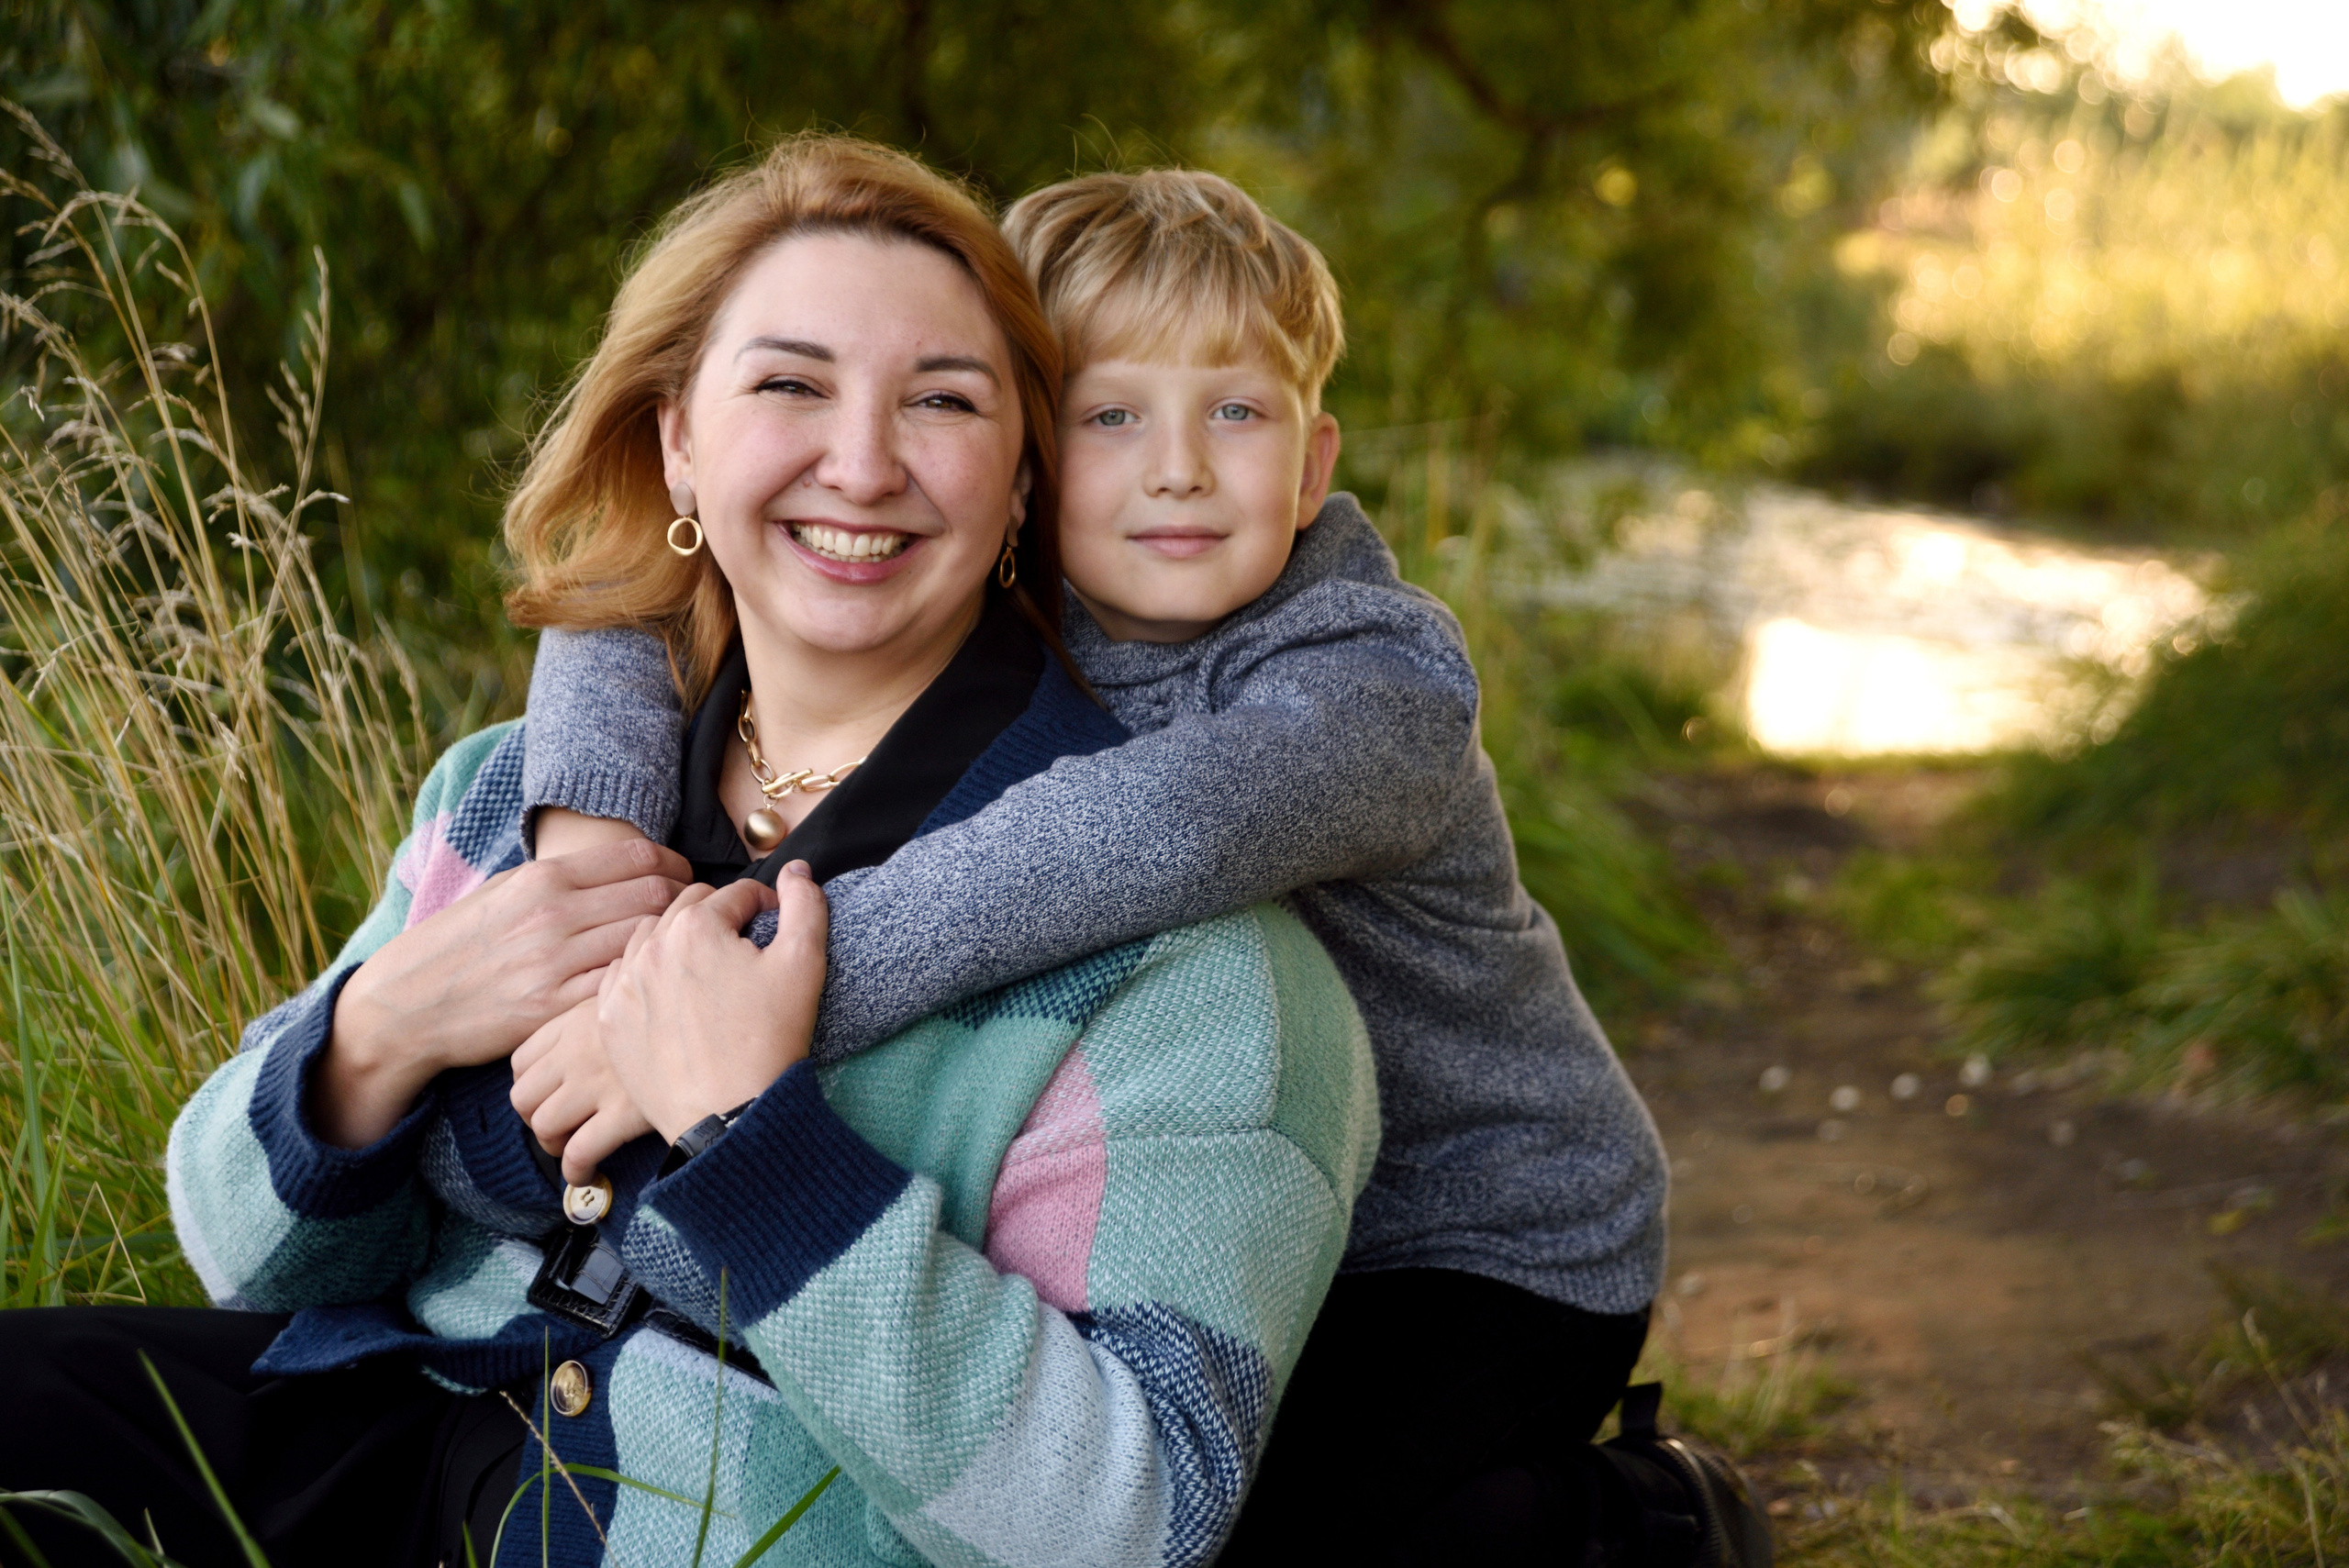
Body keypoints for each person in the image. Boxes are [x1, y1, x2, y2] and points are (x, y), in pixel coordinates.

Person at [0, 137, 1379, 1568]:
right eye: (789, 385)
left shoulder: (1196, 969)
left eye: (943, 400)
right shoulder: (510, 794)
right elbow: (243, 1257)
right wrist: (382, 1027)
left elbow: (1134, 1518)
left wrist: (756, 1144)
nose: (863, 464)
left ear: (1023, 475)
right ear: (678, 443)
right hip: (376, 1432)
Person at [518, 170, 1772, 1565]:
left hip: (1470, 1239)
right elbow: (633, 604)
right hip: (1223, 1204)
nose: (1179, 467)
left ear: (1313, 464)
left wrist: (734, 1009)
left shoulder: (1372, 688)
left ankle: (1648, 1519)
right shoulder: (1013, 593)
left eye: (1236, 412)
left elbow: (1109, 847)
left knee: (1254, 1542)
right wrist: (588, 852)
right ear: (1031, 461)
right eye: (1115, 416)